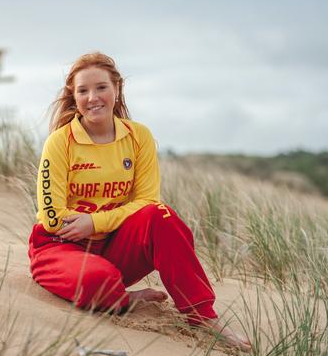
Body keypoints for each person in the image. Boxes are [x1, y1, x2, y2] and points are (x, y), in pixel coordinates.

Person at [28, 52, 251, 352]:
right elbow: (52, 217)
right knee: (98, 280)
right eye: (83, 91)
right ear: (74, 96)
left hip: (112, 245)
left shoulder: (139, 137)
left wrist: (94, 222)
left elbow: (147, 202)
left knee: (161, 216)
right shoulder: (60, 142)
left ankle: (202, 316)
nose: (93, 97)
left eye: (101, 87)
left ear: (117, 89)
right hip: (60, 246)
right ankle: (122, 298)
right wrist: (88, 226)